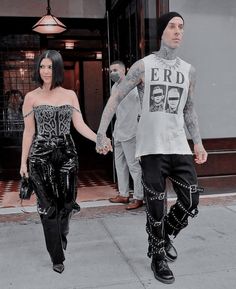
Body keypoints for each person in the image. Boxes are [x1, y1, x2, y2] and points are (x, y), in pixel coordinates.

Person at [96, 12, 208, 284]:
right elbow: (116, 98)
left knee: (191, 199)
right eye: (172, 26)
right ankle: (158, 255)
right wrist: (101, 132)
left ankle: (163, 237)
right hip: (151, 148)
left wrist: (198, 142)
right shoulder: (143, 66)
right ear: (162, 32)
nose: (178, 31)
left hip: (179, 146)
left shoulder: (188, 70)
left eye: (181, 27)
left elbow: (190, 110)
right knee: (155, 207)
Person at [19, 50, 106, 274]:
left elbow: (79, 125)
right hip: (40, 156)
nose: (45, 71)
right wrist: (23, 163)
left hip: (67, 153)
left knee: (67, 203)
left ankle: (62, 233)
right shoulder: (31, 97)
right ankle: (57, 256)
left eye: (49, 67)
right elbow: (28, 133)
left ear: (57, 68)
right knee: (48, 208)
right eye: (42, 67)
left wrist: (99, 138)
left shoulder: (69, 95)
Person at [108, 60, 143, 210]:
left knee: (134, 166)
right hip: (118, 131)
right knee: (119, 165)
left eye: (115, 70)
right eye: (110, 71)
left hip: (131, 131)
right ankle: (123, 194)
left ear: (124, 70)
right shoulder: (114, 87)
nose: (112, 73)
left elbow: (142, 106)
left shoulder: (134, 86)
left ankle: (138, 197)